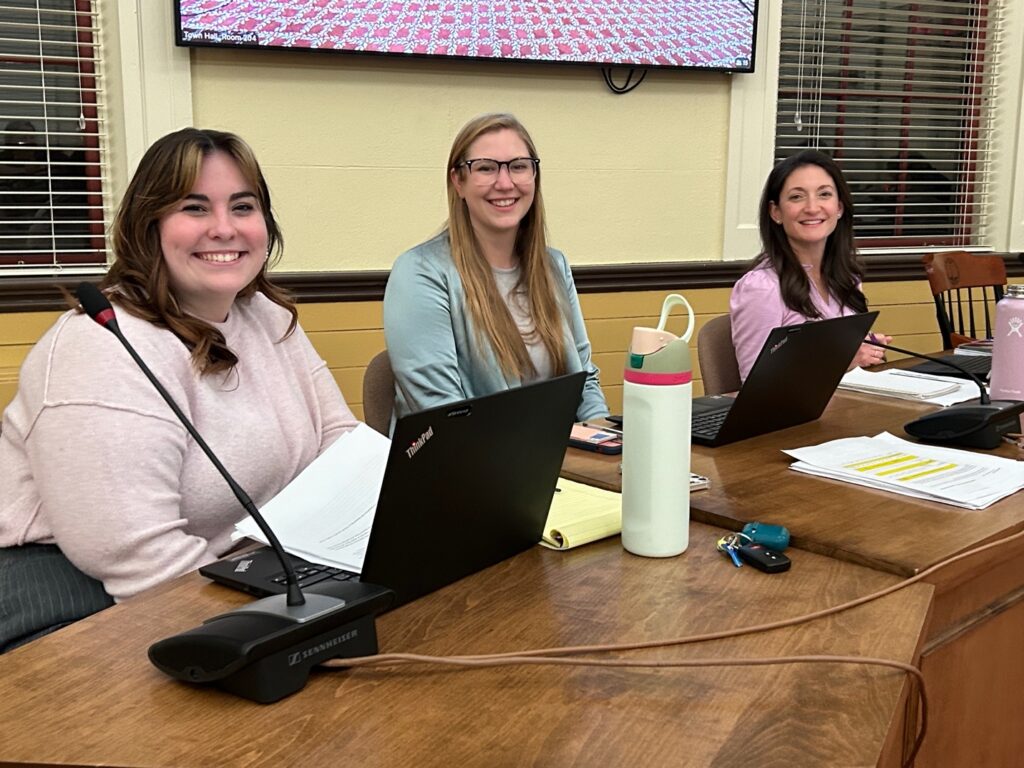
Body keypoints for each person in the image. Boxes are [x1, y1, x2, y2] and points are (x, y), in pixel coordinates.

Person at [0, 128, 359, 651]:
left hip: (235, 572)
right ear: (149, 226)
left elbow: (340, 445)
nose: (223, 228)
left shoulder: (266, 315)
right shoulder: (100, 345)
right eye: (194, 208)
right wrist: (273, 633)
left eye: (242, 206)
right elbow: (134, 554)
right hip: (77, 598)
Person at [383, 113, 608, 422]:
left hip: (559, 459)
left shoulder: (554, 266)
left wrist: (603, 449)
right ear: (458, 182)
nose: (505, 183)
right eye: (486, 168)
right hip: (466, 463)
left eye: (518, 166)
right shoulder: (420, 273)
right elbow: (444, 416)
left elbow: (585, 384)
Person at [730, 149, 891, 381]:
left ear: (839, 208)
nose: (813, 208)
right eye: (797, 197)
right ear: (776, 212)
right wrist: (841, 361)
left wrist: (865, 348)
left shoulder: (847, 278)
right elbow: (757, 385)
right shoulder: (761, 288)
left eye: (824, 194)